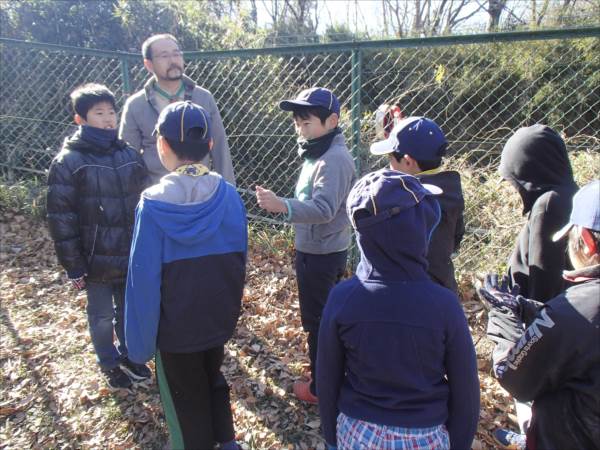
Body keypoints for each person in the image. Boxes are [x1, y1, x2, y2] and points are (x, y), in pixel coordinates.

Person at [317, 169, 480, 450]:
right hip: (424, 437)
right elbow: (466, 390)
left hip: (357, 433)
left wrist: (332, 438)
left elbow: (327, 375)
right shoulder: (443, 305)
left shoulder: (343, 297)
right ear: (418, 230)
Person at [125, 101, 246, 450]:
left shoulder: (152, 204)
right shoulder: (229, 195)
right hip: (215, 320)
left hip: (174, 329)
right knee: (213, 379)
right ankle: (227, 442)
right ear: (210, 146)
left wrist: (140, 344)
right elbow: (238, 263)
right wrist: (227, 317)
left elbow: (142, 280)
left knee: (183, 400)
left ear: (161, 146)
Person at [481, 180, 600, 450]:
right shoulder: (574, 311)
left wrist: (504, 318)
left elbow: (516, 377)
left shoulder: (575, 309)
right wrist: (533, 310)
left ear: (588, 242)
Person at [255, 87, 356, 404]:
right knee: (324, 317)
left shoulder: (334, 158)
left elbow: (325, 210)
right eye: (297, 122)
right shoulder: (318, 152)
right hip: (319, 248)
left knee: (318, 322)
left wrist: (281, 205)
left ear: (332, 121)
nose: (300, 128)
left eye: (307, 121)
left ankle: (321, 387)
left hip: (322, 253)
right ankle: (331, 373)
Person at [46, 83, 151, 389]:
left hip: (131, 252)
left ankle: (132, 356)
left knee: (130, 311)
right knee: (102, 316)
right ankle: (108, 361)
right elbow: (61, 219)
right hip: (96, 261)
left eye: (111, 112)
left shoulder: (129, 155)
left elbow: (147, 201)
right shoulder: (68, 162)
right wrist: (74, 266)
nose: (108, 119)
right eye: (98, 113)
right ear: (80, 119)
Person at [119, 33, 235, 185]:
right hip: (157, 193)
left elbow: (220, 147)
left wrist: (227, 191)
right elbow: (127, 158)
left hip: (200, 190)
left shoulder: (203, 97)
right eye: (164, 56)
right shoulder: (136, 105)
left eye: (176, 54)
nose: (173, 60)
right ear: (148, 64)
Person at [370, 116, 464, 292]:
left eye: (390, 159)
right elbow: (456, 237)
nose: (388, 167)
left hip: (407, 291)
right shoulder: (451, 190)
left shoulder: (401, 199)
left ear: (407, 161)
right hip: (442, 287)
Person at [499, 124, 578, 302]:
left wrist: (534, 324)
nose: (512, 186)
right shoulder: (571, 195)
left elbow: (544, 282)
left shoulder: (549, 205)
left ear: (527, 167)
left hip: (543, 321)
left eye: (513, 178)